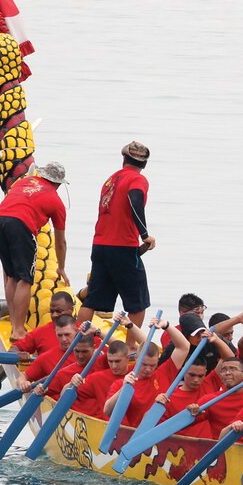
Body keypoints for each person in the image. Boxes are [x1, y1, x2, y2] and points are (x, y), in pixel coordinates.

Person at [76, 142, 155, 342]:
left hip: (100, 245)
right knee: (137, 303)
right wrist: (144, 234)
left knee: (92, 299)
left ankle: (79, 341)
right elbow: (134, 198)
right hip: (123, 247)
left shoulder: (111, 180)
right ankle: (130, 347)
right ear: (144, 164)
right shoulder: (138, 179)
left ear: (123, 160)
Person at [0, 162, 69, 341]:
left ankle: (14, 324)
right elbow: (60, 241)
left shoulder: (25, 182)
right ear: (58, 184)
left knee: (11, 276)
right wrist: (61, 268)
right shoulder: (56, 201)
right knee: (25, 278)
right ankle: (18, 330)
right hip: (19, 226)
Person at [102, 317, 193, 428]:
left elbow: (184, 347)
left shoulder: (164, 373)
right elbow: (107, 411)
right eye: (144, 365)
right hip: (137, 434)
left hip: (164, 432)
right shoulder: (124, 382)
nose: (148, 369)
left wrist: (166, 326)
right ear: (136, 358)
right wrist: (123, 389)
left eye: (152, 365)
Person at [15, 315, 80, 393]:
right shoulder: (46, 358)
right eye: (59, 335)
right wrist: (23, 384)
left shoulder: (88, 354)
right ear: (55, 333)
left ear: (76, 331)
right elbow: (23, 376)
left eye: (67, 334)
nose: (63, 339)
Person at [71, 340, 131, 417]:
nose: (114, 366)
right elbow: (66, 394)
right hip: (108, 425)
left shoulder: (139, 372)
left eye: (117, 361)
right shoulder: (96, 378)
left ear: (128, 358)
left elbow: (147, 349)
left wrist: (132, 327)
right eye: (110, 361)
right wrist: (72, 382)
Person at [9, 291, 76, 358]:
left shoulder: (83, 331)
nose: (54, 315)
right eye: (52, 311)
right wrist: (18, 354)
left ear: (71, 310)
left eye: (59, 311)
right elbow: (12, 349)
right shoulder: (40, 332)